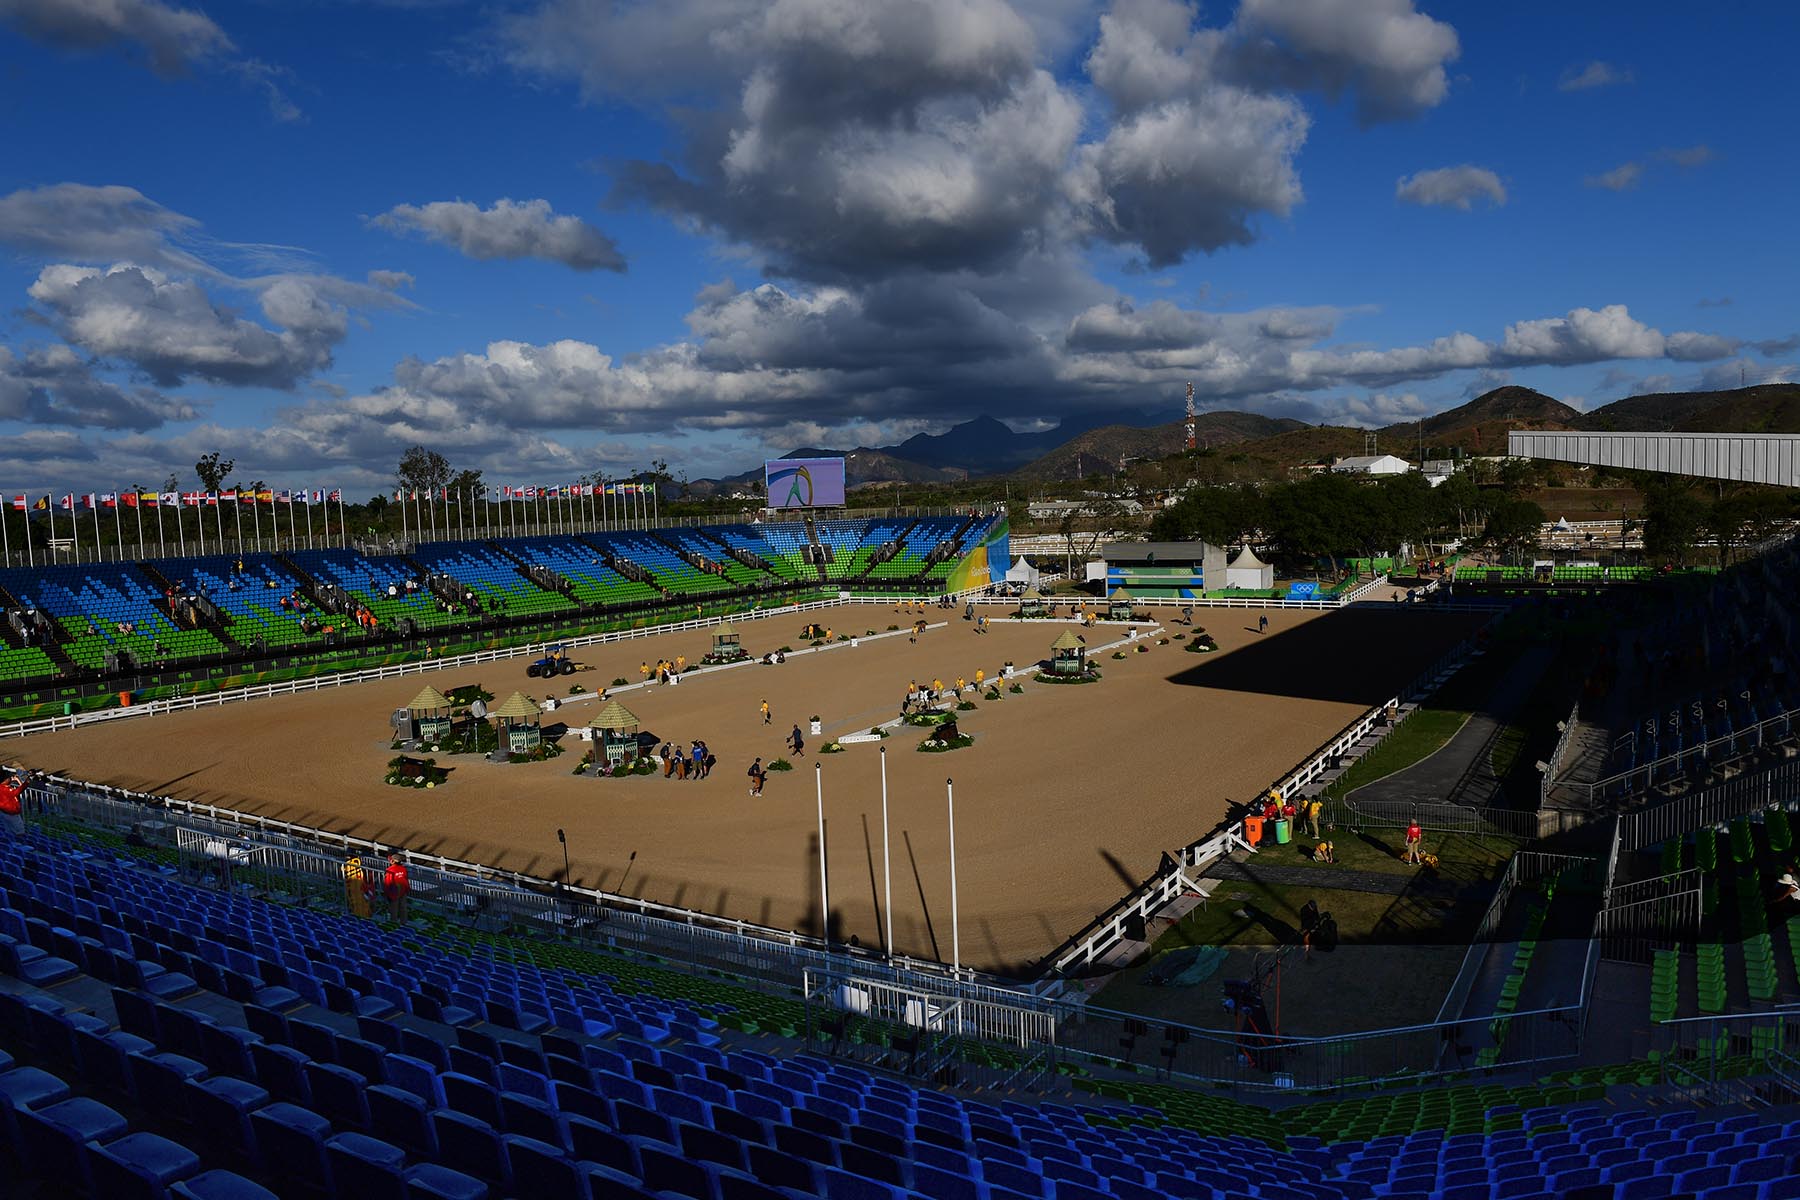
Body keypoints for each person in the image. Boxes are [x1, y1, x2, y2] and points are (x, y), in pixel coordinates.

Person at [0, 768, 33, 841]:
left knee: (8, 832)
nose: (11, 779)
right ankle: (20, 845)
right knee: (20, 833)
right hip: (12, 814)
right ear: (4, 780)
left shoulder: (3, 787)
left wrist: (18, 780)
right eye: (9, 778)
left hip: (3, 813)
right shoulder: (6, 789)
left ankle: (12, 844)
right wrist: (26, 783)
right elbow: (18, 791)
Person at [382, 852, 410, 924]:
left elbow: (387, 883)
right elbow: (406, 880)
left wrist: (386, 893)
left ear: (393, 861)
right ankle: (404, 923)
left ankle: (394, 924)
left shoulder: (390, 870)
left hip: (393, 893)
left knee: (394, 910)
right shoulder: (403, 869)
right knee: (403, 908)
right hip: (403, 891)